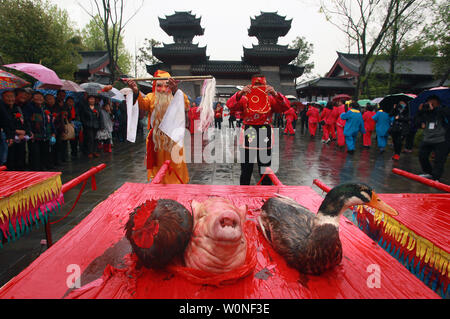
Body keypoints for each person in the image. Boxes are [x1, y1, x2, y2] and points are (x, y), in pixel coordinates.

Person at [126, 70, 191, 184]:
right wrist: (136, 90)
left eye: (167, 85)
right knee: (159, 164)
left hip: (173, 138)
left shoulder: (176, 96)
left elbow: (186, 104)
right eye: (159, 85)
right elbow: (142, 104)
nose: (163, 89)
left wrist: (175, 90)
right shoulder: (151, 97)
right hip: (157, 139)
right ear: (155, 86)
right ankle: (160, 183)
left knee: (176, 162)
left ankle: (178, 182)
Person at [226, 74, 290, 185]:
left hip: (265, 133)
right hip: (248, 133)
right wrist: (240, 93)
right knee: (246, 169)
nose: (258, 86)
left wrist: (275, 94)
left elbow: (285, 107)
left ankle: (265, 195)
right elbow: (230, 105)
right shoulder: (244, 98)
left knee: (265, 169)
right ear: (251, 84)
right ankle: (244, 194)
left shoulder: (270, 99)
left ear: (265, 85)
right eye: (256, 84)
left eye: (261, 84)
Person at [416, 95, 450, 181]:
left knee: (439, 159)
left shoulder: (444, 109)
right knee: (422, 155)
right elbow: (417, 122)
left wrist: (434, 109)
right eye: (428, 101)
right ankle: (428, 172)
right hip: (428, 138)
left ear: (437, 102)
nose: (429, 103)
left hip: (441, 139)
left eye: (432, 101)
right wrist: (420, 112)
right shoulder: (426, 111)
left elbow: (446, 114)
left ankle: (436, 177)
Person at [23, 92, 56, 171]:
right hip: (34, 136)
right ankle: (35, 170)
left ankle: (43, 169)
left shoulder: (45, 108)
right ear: (33, 98)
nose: (39, 99)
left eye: (41, 97)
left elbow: (50, 121)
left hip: (45, 136)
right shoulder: (29, 107)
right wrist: (29, 131)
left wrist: (53, 133)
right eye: (36, 97)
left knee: (44, 153)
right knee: (35, 154)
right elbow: (27, 121)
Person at [1, 90, 31, 170]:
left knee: (20, 157)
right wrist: (16, 132)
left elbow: (24, 121)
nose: (10, 99)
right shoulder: (2, 108)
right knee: (9, 160)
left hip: (20, 138)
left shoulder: (17, 108)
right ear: (2, 98)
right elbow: (5, 124)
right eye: (7, 96)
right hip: (8, 138)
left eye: (12, 96)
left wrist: (25, 132)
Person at [80, 94, 101, 159]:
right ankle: (90, 152)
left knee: (96, 139)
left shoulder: (97, 106)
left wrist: (97, 114)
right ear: (88, 100)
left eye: (93, 99)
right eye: (90, 99)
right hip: (88, 125)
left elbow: (100, 117)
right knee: (90, 138)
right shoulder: (85, 107)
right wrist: (84, 123)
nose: (92, 100)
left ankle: (95, 151)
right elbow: (82, 116)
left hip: (96, 125)